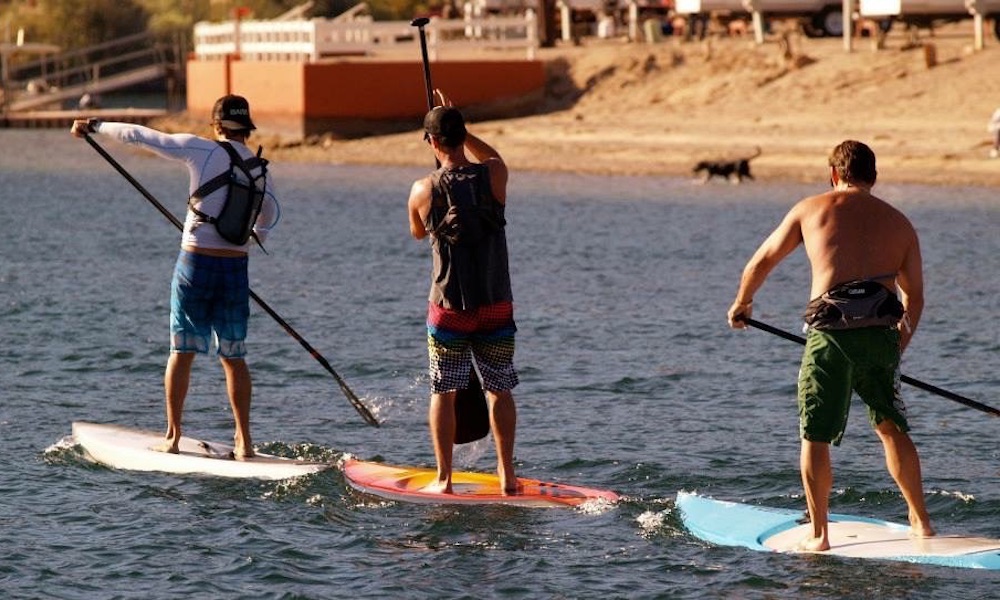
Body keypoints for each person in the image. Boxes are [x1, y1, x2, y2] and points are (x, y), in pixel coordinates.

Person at [726, 140, 935, 552]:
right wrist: (898, 346)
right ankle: (922, 523)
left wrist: (743, 302)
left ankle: (819, 535)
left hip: (830, 337)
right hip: (881, 336)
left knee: (815, 434)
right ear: (873, 177)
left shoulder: (811, 208)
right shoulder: (900, 223)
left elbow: (763, 260)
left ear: (833, 175)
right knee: (890, 428)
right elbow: (915, 298)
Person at [70, 94, 280, 460]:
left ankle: (173, 436)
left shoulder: (201, 150)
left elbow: (143, 136)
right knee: (234, 356)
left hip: (195, 264)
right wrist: (246, 243)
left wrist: (96, 125)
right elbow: (270, 217)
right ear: (247, 128)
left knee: (182, 352)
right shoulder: (261, 168)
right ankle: (244, 441)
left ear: (216, 126)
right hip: (235, 268)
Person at [406, 92, 520, 494]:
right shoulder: (494, 175)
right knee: (499, 388)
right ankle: (507, 476)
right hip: (495, 304)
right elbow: (496, 157)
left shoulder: (422, 188)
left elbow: (418, 233)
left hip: (449, 309)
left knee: (444, 391)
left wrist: (437, 188)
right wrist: (463, 129)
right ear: (462, 135)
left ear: (433, 143)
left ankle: (445, 479)